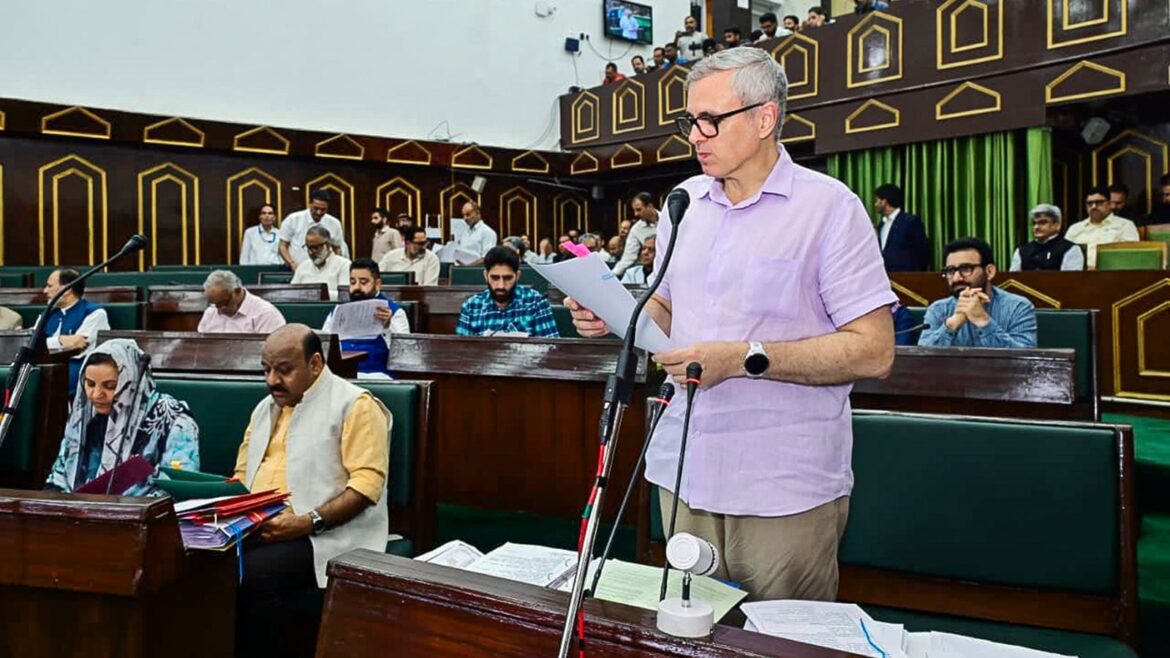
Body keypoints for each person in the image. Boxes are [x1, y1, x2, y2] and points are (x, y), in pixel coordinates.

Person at [569, 47, 896, 601]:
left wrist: (745, 357)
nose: (695, 136)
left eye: (710, 121)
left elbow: (874, 351)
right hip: (684, 469)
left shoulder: (829, 209)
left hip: (780, 483)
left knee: (780, 641)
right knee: (685, 631)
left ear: (765, 118)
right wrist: (618, 317)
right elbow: (667, 306)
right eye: (689, 121)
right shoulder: (684, 203)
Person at [233, 324, 390, 657]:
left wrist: (307, 522)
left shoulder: (355, 404)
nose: (272, 380)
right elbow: (241, 475)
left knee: (256, 574)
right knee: (196, 562)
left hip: (327, 534)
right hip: (260, 526)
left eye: (284, 370)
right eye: (267, 369)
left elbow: (366, 487)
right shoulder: (264, 408)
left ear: (315, 363)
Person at [44, 339, 199, 495]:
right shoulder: (83, 419)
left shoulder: (173, 419)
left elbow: (178, 490)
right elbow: (57, 480)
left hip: (144, 515)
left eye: (110, 386)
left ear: (131, 382)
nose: (97, 395)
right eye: (90, 384)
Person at [919, 237, 1037, 348]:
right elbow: (922, 359)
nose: (956, 278)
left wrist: (983, 321)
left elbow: (1024, 359)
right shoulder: (938, 309)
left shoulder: (1018, 307)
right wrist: (950, 326)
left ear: (989, 272)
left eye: (965, 269)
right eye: (950, 271)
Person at [322, 259, 409, 379]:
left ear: (377, 284)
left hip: (377, 376)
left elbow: (403, 354)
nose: (357, 287)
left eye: (364, 282)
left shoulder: (395, 312)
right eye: (353, 282)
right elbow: (325, 345)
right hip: (341, 376)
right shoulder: (339, 311)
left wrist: (386, 328)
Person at [456, 246, 559, 338]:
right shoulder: (472, 306)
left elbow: (551, 349)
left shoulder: (535, 302)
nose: (501, 285)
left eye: (507, 278)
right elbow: (463, 353)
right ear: (486, 276)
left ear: (517, 276)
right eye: (495, 278)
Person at [41, 268, 111, 396]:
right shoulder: (48, 313)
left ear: (67, 289)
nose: (45, 291)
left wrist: (45, 344)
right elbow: (30, 343)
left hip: (75, 372)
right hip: (45, 368)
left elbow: (77, 347)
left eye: (50, 286)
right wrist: (60, 340)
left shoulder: (95, 313)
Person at [1065, 186, 1140, 268]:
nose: (1093, 207)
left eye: (1099, 202)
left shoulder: (1125, 225)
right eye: (1090, 203)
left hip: (1111, 274)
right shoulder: (1075, 228)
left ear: (1110, 204)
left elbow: (1129, 256)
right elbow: (1064, 255)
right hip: (1078, 274)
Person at [278, 190, 350, 270]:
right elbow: (282, 245)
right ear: (310, 204)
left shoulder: (334, 223)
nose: (319, 212)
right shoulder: (293, 219)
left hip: (326, 270)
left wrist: (336, 267)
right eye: (316, 208)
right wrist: (291, 263)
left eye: (323, 209)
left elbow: (337, 248)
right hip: (296, 269)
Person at [198, 270, 287, 333]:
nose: (218, 309)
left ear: (237, 292)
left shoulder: (265, 314)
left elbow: (272, 352)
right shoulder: (210, 312)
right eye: (214, 304)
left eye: (223, 304)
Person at [1009, 204, 1085, 272]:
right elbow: (1013, 279)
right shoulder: (1021, 251)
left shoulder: (1071, 249)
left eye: (1042, 222)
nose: (1036, 227)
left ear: (1057, 225)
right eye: (1034, 223)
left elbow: (1070, 281)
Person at [874, 183, 930, 272]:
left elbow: (923, 252)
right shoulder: (881, 225)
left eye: (877, 200)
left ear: (884, 201)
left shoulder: (910, 221)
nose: (875, 204)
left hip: (907, 278)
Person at [291, 225, 352, 301]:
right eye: (308, 248)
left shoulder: (344, 265)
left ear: (328, 245)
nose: (311, 252)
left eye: (315, 248)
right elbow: (292, 294)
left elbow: (344, 296)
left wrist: (313, 294)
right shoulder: (302, 267)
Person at [613, 192, 659, 277]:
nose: (636, 214)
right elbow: (628, 258)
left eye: (638, 209)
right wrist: (611, 275)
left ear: (650, 206)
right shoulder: (636, 230)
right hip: (652, 273)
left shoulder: (669, 220)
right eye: (634, 210)